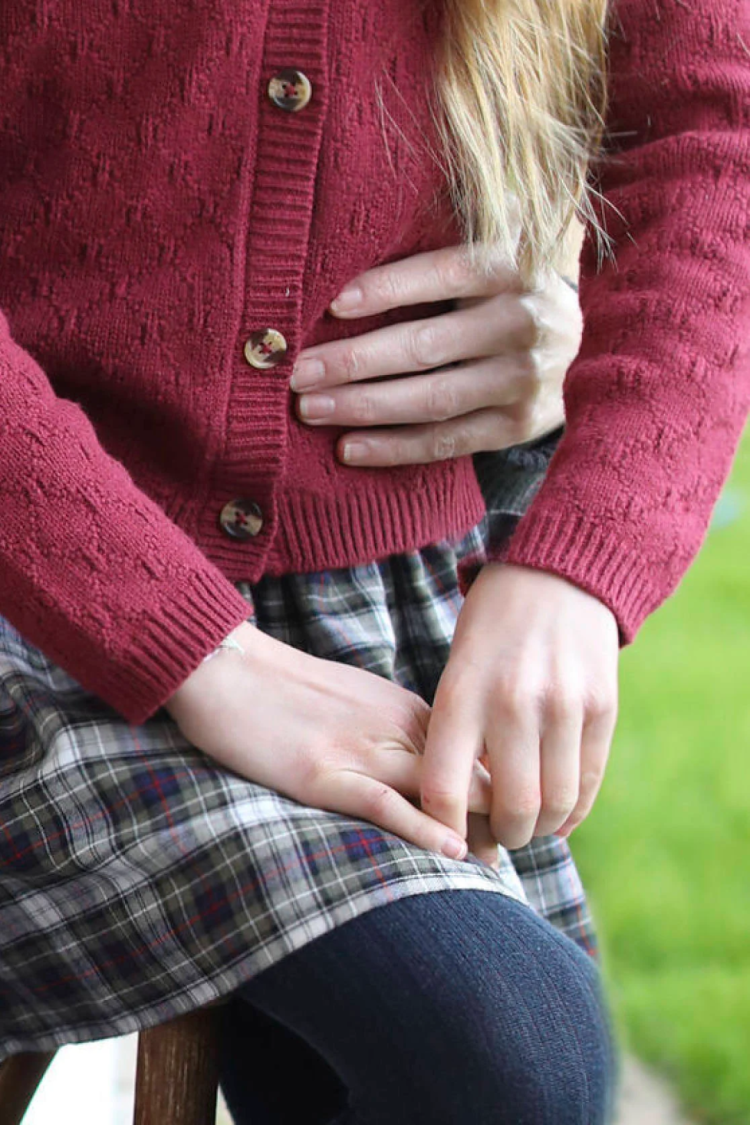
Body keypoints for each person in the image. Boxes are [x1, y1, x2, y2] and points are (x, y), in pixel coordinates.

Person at [0, 0, 747, 1120]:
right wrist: (194, 647)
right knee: (499, 1051)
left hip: (354, 613)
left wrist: (579, 562)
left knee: (483, 1053)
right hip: (26, 579)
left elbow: (711, 141)